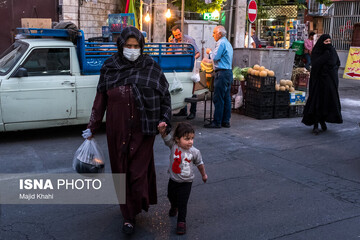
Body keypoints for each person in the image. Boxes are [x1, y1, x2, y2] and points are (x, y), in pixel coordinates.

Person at [82, 26, 172, 235]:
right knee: (121, 173)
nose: (132, 49)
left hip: (144, 131)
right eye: (128, 46)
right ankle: (128, 216)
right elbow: (100, 100)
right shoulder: (110, 67)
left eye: (136, 46)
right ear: (120, 46)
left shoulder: (151, 67)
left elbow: (165, 97)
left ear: (141, 46)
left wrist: (164, 119)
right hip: (117, 131)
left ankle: (136, 205)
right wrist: (92, 127)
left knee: (136, 174)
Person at [157, 121, 207, 235]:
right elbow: (166, 137)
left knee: (183, 203)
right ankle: (174, 206)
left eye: (192, 138)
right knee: (170, 196)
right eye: (187, 138)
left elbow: (200, 164)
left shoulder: (195, 152)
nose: (190, 142)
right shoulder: (173, 145)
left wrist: (204, 175)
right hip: (173, 180)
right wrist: (162, 131)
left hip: (186, 182)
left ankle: (181, 222)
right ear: (178, 139)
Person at [302, 34, 343, 135]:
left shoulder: (332, 51)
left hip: (329, 83)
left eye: (329, 41)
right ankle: (316, 125)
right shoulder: (317, 51)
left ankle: (323, 121)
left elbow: (337, 63)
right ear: (321, 42)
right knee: (317, 103)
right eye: (326, 42)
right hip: (318, 83)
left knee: (327, 102)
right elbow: (315, 64)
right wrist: (325, 58)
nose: (328, 44)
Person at [205, 25, 234, 128]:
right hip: (228, 73)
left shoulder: (221, 43)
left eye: (214, 33)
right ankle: (225, 121)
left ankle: (217, 122)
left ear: (219, 34)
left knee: (219, 98)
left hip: (222, 74)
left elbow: (215, 57)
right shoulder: (228, 43)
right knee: (226, 98)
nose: (213, 35)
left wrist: (209, 52)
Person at [170, 25, 201, 120]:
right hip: (178, 68)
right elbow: (170, 53)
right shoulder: (173, 41)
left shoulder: (189, 40)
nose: (178, 37)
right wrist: (170, 44)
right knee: (182, 89)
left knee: (192, 90)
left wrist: (190, 60)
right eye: (175, 35)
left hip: (189, 68)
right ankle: (183, 110)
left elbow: (198, 53)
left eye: (179, 34)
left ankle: (193, 112)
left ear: (182, 32)